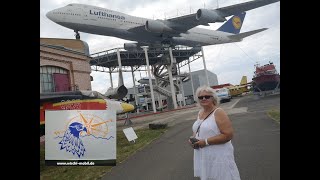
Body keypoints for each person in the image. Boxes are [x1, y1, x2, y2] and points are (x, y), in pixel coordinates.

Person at [189, 85, 241, 180]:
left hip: (218, 155)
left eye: (207, 96)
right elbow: (198, 130)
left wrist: (205, 142)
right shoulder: (200, 113)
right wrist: (193, 139)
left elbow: (228, 135)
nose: (203, 98)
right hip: (204, 154)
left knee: (223, 176)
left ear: (213, 98)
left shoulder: (218, 112)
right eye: (200, 97)